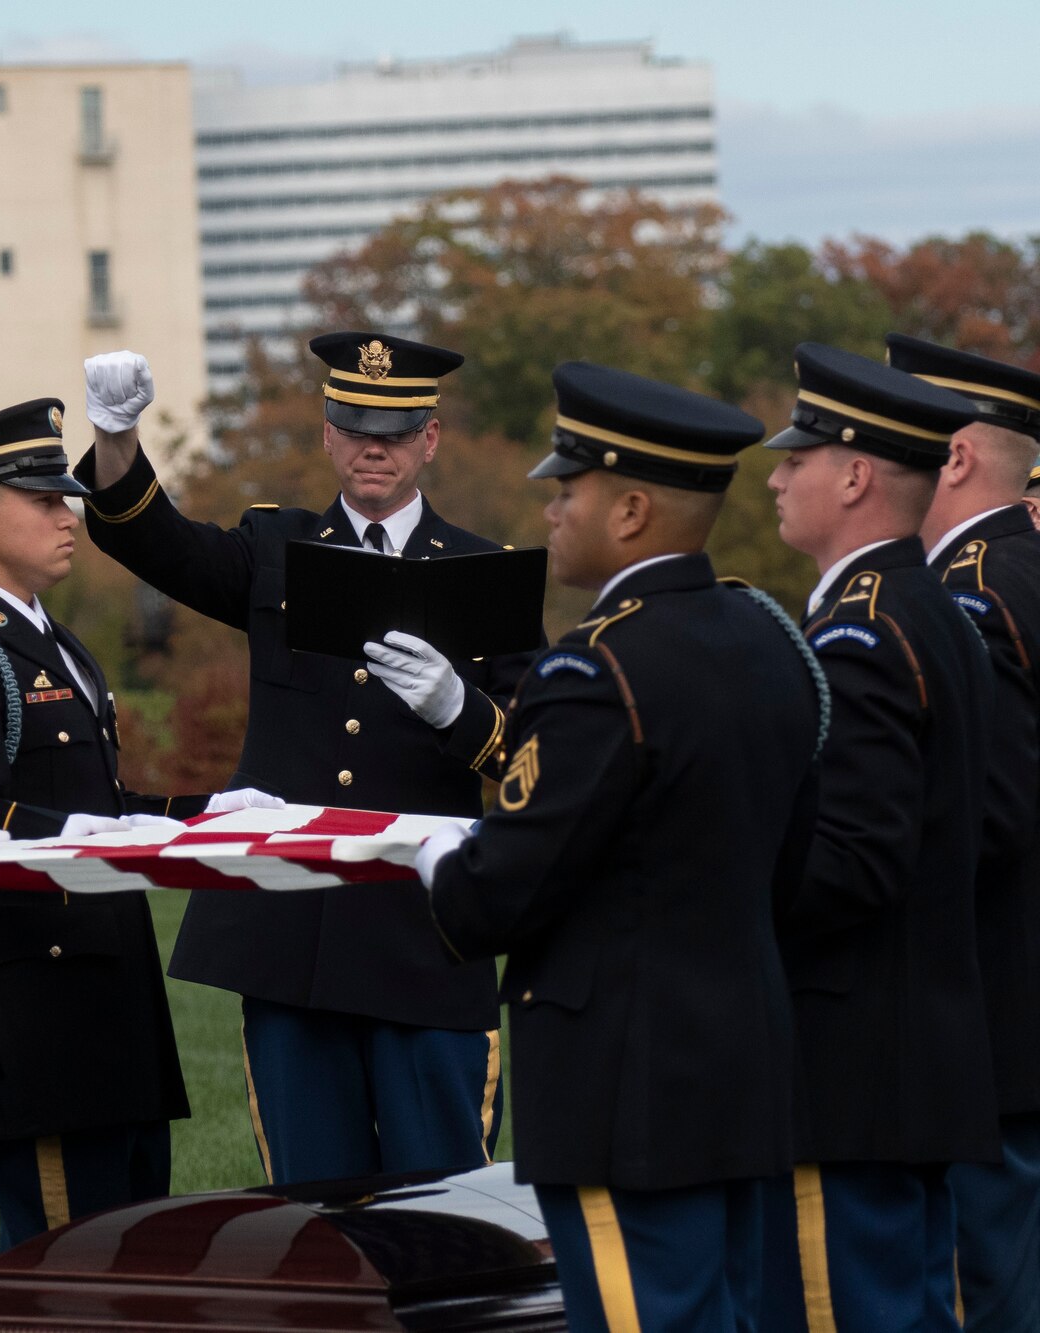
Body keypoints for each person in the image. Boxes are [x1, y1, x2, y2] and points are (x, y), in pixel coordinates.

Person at [414, 362, 825, 1330]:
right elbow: (792, 863)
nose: (551, 509)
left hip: (623, 1089)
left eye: (568, 489)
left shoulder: (597, 666)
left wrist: (438, 862)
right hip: (743, 1063)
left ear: (631, 509)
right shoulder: (766, 637)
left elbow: (503, 888)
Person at [73, 335, 529, 1187]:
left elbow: (535, 758)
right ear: (327, 434)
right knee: (313, 1218)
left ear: (430, 439)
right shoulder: (276, 550)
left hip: (424, 942)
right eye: (355, 427)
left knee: (447, 1212)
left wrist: (459, 710)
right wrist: (117, 440)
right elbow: (155, 542)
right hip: (296, 941)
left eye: (394, 431)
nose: (373, 447)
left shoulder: (482, 575)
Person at [0, 397, 278, 1251]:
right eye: (43, 499)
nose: (66, 514)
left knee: (130, 1250)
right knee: (64, 1260)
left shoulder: (60, 643)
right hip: (40, 1004)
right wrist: (116, 836)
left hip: (109, 999)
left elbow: (103, 806)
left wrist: (199, 814)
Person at [761, 342, 996, 1330]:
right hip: (914, 1055)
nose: (773, 477)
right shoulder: (929, 609)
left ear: (854, 475)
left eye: (794, 459)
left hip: (847, 1065)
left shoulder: (857, 637)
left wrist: (729, 895)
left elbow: (849, 861)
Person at [890, 333, 1040, 1330]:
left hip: (992, 1015)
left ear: (949, 458)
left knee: (990, 1295)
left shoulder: (969, 592)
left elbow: (982, 816)